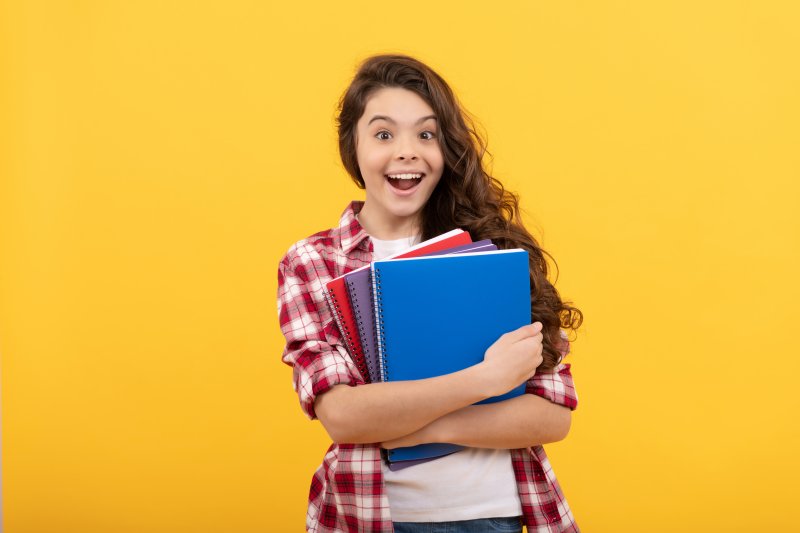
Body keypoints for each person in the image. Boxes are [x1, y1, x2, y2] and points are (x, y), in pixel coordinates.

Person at [277, 54, 583, 533]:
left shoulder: (496, 252)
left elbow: (551, 415)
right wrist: (484, 380)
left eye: (426, 134)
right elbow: (343, 416)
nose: (406, 151)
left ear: (447, 150)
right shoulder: (312, 262)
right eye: (383, 134)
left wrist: (417, 427)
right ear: (351, 148)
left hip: (494, 518)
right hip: (373, 518)